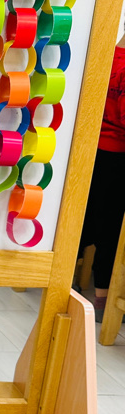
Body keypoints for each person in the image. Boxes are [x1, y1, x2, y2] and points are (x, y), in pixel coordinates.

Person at [79, 28, 125, 320]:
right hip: (116, 156)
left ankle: (71, 278)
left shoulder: (105, 54)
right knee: (112, 228)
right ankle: (103, 296)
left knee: (86, 217)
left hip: (90, 150)